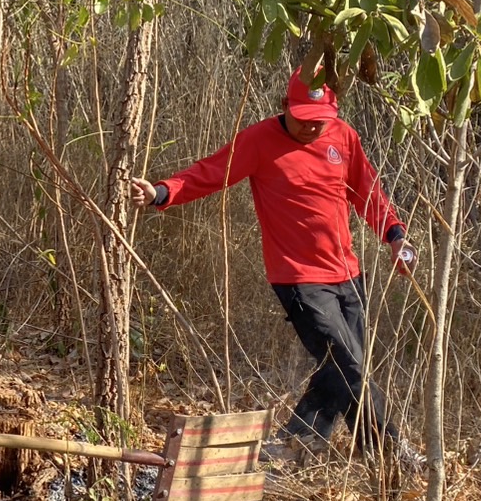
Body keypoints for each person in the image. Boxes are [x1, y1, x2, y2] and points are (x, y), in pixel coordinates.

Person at [130, 67, 421, 469]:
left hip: (348, 274)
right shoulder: (259, 140)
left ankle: (297, 446)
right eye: (302, 118)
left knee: (344, 365)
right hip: (298, 278)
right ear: (285, 106)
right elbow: (210, 172)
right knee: (346, 362)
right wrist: (162, 192)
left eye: (319, 120)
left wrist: (395, 235)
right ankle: (388, 451)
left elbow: (368, 193)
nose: (311, 128)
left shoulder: (344, 137)